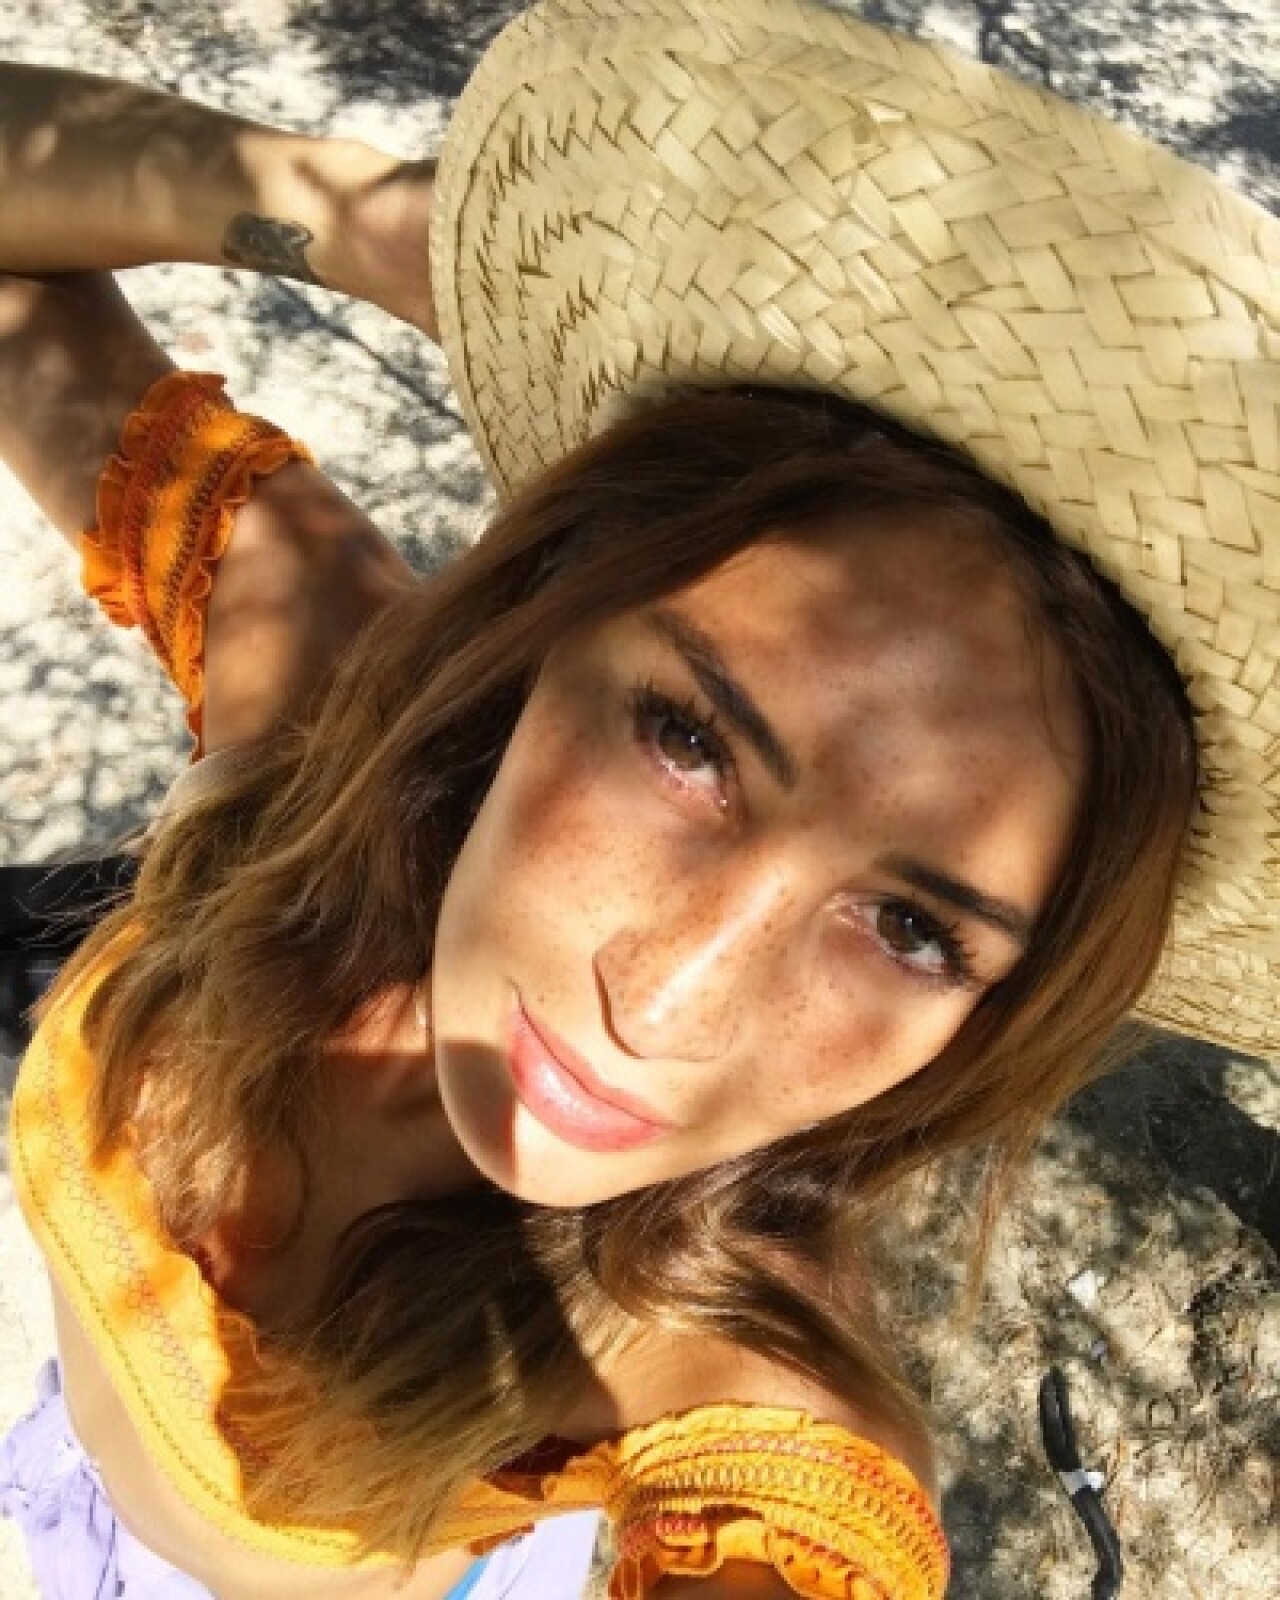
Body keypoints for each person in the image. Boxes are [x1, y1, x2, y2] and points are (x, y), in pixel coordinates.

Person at [1, 1, 1276, 1597]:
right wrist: (372, 223)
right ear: (542, 622)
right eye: (689, 740)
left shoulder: (725, 1386)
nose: (663, 1010)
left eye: (910, 927)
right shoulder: (314, 719)